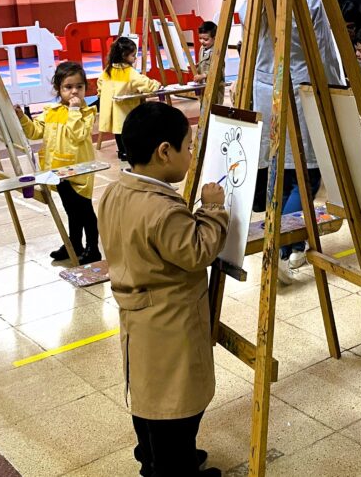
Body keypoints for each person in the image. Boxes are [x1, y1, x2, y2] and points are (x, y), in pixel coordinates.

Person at [98, 102, 227, 477]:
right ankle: (174, 469)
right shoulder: (162, 209)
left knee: (148, 399)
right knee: (176, 407)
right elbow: (197, 251)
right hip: (169, 320)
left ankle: (152, 461)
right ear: (164, 152)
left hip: (138, 315)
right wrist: (212, 210)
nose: (191, 155)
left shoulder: (116, 189)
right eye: (188, 147)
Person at [252, 0, 343, 285]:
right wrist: (337, 91)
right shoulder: (310, 3)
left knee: (279, 173)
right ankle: (287, 247)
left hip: (265, 90)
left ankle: (278, 242)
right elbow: (322, 54)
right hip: (300, 89)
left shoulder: (254, 0)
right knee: (307, 174)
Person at [18, 61, 101, 263]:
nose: (74, 92)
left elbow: (78, 134)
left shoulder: (86, 113)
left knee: (85, 211)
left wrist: (74, 111)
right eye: (68, 87)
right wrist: (21, 117)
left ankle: (93, 248)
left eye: (79, 87)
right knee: (71, 211)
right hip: (57, 171)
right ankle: (74, 243)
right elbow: (35, 131)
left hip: (79, 172)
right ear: (59, 89)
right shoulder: (51, 111)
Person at [98, 37, 162, 161]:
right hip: (124, 109)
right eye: (133, 55)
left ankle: (122, 151)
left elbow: (100, 84)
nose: (135, 58)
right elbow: (145, 84)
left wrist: (101, 95)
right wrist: (156, 84)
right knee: (129, 131)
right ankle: (128, 152)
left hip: (111, 109)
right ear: (124, 55)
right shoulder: (129, 72)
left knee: (118, 132)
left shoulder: (108, 70)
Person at [195, 21, 224, 106]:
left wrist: (203, 75)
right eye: (200, 38)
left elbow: (218, 69)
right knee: (203, 107)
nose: (202, 41)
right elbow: (202, 62)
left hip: (215, 88)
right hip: (204, 86)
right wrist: (197, 66)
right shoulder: (202, 49)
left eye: (206, 39)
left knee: (214, 109)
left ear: (215, 38)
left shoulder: (217, 52)